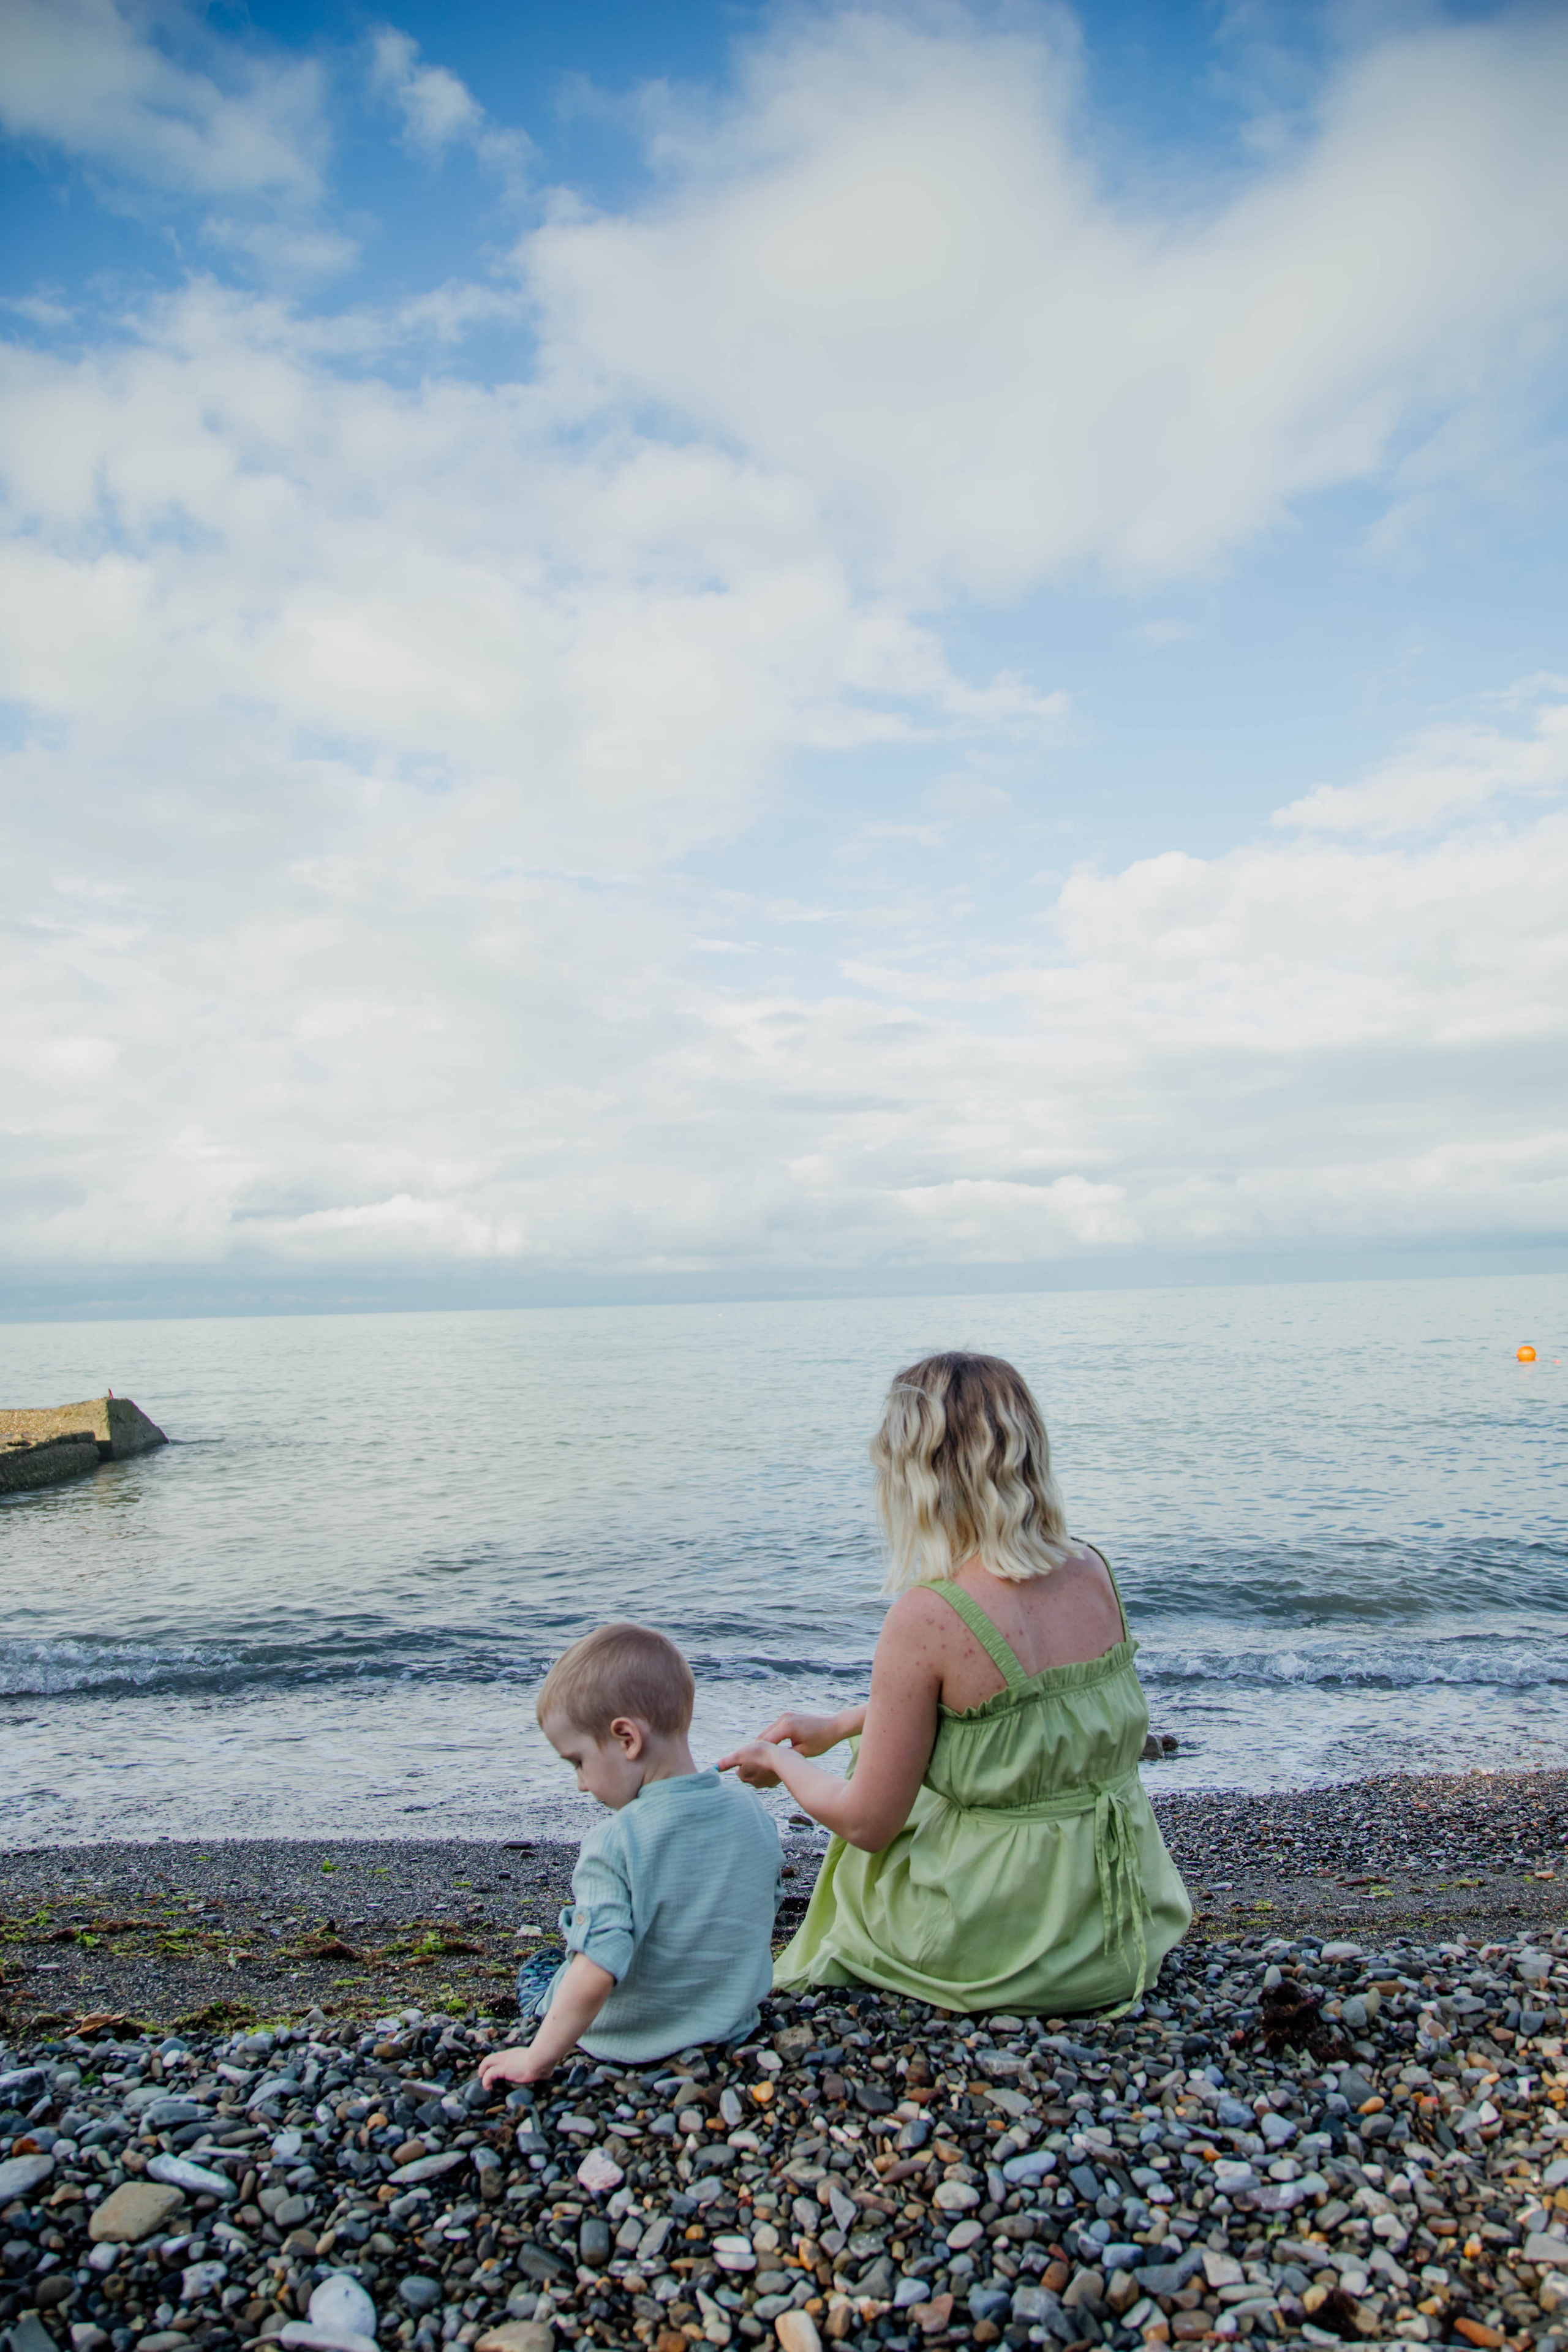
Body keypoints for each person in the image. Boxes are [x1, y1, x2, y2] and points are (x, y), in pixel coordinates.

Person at [718, 1351, 1190, 2013]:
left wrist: (778, 1763)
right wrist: (836, 1725)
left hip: (1010, 1952)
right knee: (883, 1751)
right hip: (1122, 1929)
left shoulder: (930, 1614)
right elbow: (1020, 1718)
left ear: (922, 1474)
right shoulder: (1092, 1570)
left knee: (883, 1790)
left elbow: (867, 1823)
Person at [478, 1623, 781, 2086]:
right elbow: (759, 1910)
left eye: (578, 1761)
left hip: (629, 2038)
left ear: (627, 1739)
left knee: (543, 1969)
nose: (580, 1782)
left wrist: (536, 2061)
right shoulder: (751, 1811)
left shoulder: (616, 1841)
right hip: (731, 2023)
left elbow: (597, 1969)